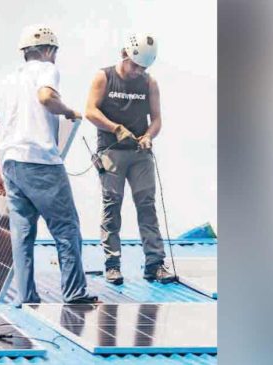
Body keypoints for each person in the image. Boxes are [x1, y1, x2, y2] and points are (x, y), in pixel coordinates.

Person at [0, 24, 98, 306]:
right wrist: (68, 111)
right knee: (66, 228)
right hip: (41, 161)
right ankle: (74, 293)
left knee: (22, 235)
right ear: (47, 50)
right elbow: (46, 97)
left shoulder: (6, 82)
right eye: (54, 52)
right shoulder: (46, 70)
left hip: (11, 166)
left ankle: (27, 297)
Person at [84, 33, 177, 285]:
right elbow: (90, 111)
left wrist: (148, 135)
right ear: (124, 55)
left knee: (147, 206)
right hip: (111, 152)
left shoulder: (149, 83)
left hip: (140, 154)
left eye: (143, 67)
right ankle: (112, 264)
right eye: (135, 65)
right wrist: (115, 128)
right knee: (112, 205)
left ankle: (154, 264)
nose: (138, 71)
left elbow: (156, 119)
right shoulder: (104, 77)